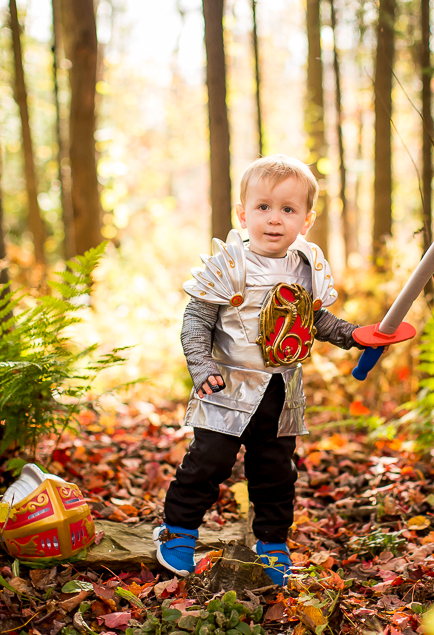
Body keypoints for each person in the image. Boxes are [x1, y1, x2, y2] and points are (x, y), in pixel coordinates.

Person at [154, 155, 362, 586]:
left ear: (306, 220)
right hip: (226, 385)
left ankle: (272, 542)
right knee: (207, 463)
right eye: (264, 207)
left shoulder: (307, 267)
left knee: (275, 472)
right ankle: (177, 532)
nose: (274, 219)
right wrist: (201, 364)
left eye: (288, 209)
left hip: (281, 390)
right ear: (243, 214)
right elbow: (196, 321)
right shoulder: (228, 264)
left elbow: (317, 322)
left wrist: (355, 335)